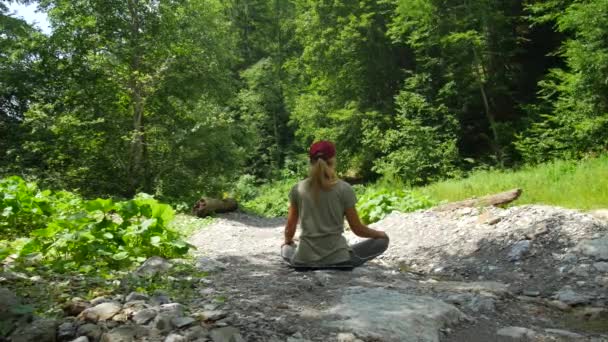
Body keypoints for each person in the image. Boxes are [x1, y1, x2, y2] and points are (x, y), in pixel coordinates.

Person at [281, 140, 389, 269]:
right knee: (383, 241)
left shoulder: (297, 189)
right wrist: (380, 234)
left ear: (310, 161)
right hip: (339, 260)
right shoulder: (344, 188)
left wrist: (288, 242)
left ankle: (300, 257)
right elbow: (358, 229)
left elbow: (289, 229)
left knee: (286, 248)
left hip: (304, 261)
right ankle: (339, 259)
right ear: (333, 160)